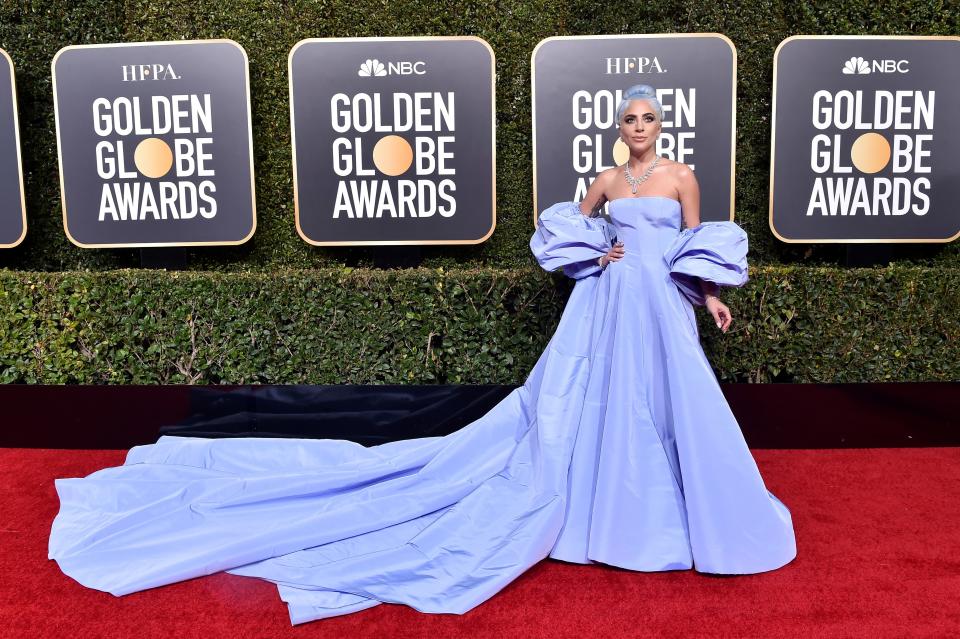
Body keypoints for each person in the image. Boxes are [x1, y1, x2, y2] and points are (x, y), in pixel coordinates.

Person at [48, 84, 796, 625]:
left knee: (671, 406)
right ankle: (601, 515)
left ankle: (664, 518)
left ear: (662, 124)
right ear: (618, 125)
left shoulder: (682, 177)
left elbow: (694, 246)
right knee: (596, 406)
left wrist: (711, 296)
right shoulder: (605, 180)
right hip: (605, 308)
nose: (639, 127)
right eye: (629, 118)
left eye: (649, 118)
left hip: (660, 310)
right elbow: (570, 228)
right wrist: (599, 253)